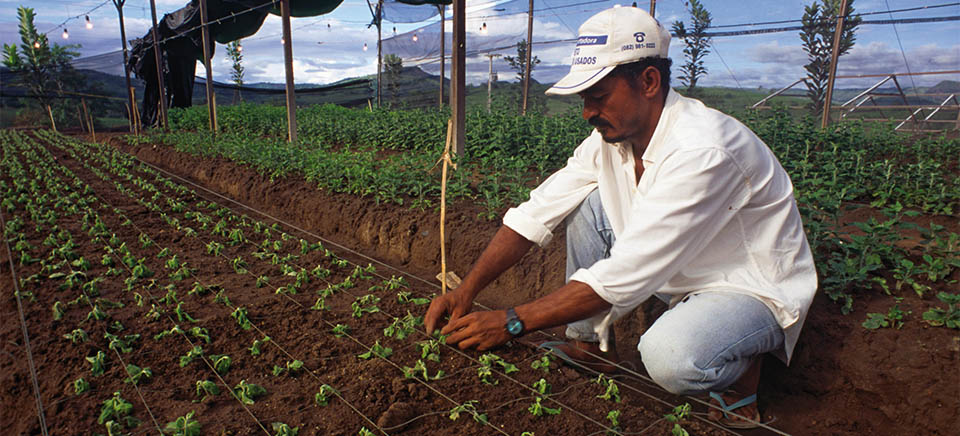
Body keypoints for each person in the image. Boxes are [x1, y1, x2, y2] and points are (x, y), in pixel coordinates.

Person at [423, 6, 817, 429]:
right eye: (584, 100)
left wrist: (512, 321)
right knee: (587, 203)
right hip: (681, 263)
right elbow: (537, 212)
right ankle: (590, 348)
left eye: (598, 96)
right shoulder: (612, 141)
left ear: (648, 82)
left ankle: (741, 384)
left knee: (671, 359)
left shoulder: (702, 150)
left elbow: (623, 277)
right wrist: (466, 290)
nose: (587, 113)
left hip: (744, 285)